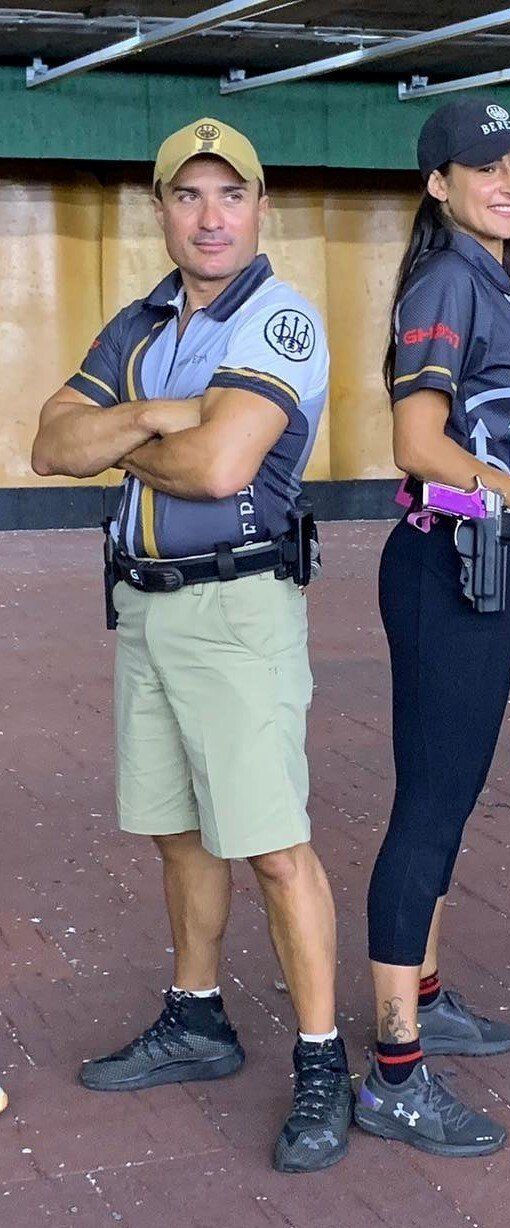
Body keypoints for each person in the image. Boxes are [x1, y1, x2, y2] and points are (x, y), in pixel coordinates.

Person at [31, 117, 353, 1174]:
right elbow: (49, 444)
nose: (211, 217)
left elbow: (220, 469)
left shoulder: (280, 318)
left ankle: (322, 1059)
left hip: (235, 611)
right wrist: (159, 414)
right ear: (162, 210)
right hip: (144, 606)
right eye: (188, 195)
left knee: (272, 844)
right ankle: (198, 1014)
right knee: (177, 831)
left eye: (230, 194)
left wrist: (122, 434)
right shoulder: (140, 323)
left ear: (260, 208)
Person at [355, 98, 510, 1156]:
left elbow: (497, 428)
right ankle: (394, 1073)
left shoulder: (494, 280)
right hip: (445, 567)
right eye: (483, 167)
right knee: (428, 811)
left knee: (445, 799)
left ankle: (428, 996)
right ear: (437, 184)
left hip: (476, 568)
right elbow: (417, 441)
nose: (508, 183)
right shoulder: (448, 279)